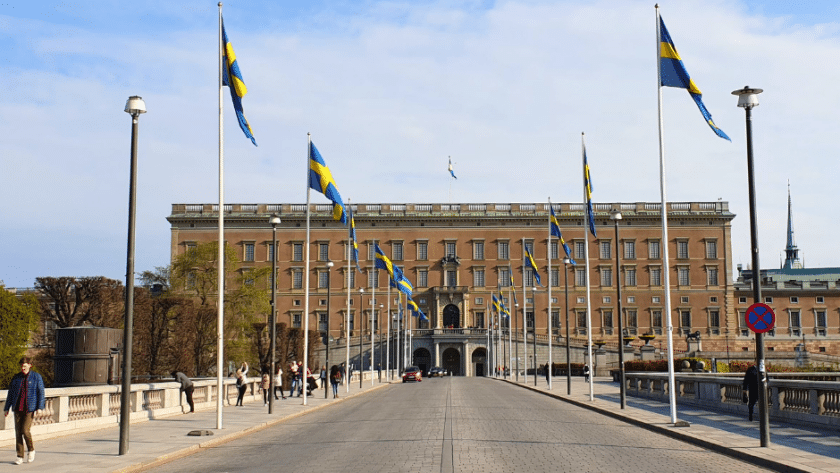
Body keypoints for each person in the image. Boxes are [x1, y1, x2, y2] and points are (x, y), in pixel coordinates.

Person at [4, 357, 45, 465]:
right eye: (21, 366)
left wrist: (40, 407)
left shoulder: (36, 377)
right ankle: (19, 456)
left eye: (25, 366)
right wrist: (6, 408)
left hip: (29, 408)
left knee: (25, 431)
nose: (23, 368)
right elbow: (11, 394)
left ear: (30, 365)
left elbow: (41, 393)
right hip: (18, 407)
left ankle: (31, 450)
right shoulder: (16, 378)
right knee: (18, 433)